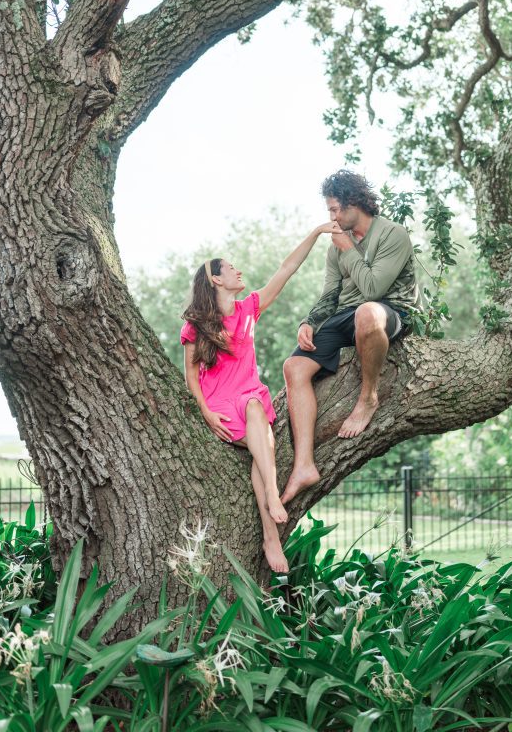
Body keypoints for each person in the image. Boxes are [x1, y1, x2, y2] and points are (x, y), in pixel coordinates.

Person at [180, 225, 334, 573]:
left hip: (250, 396)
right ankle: (272, 519)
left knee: (255, 413)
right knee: (262, 439)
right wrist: (206, 413)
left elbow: (286, 268)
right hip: (219, 403)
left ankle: (270, 523)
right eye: (231, 268)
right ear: (216, 280)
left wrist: (316, 232)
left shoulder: (249, 308)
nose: (238, 271)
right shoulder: (196, 324)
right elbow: (190, 375)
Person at [281, 170, 420, 505]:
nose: (332, 218)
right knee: (293, 367)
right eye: (329, 211)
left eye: (335, 209)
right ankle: (304, 465)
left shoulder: (393, 234)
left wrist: (348, 249)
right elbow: (331, 294)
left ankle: (368, 397)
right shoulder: (336, 247)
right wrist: (309, 321)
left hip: (392, 309)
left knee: (366, 313)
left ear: (353, 203)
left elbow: (373, 289)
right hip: (347, 315)